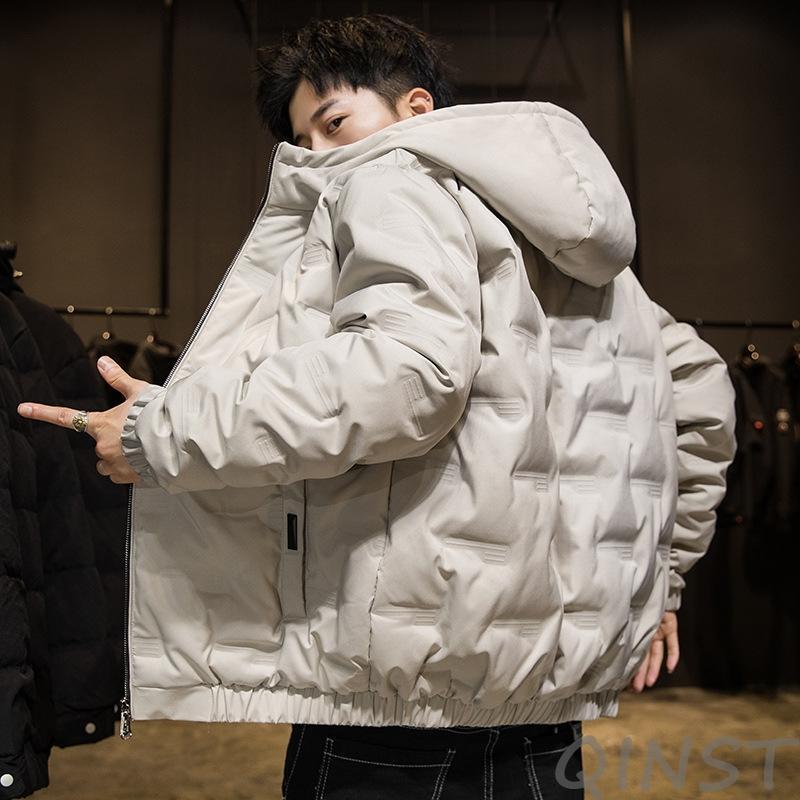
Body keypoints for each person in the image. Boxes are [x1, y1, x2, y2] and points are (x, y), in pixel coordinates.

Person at [17, 13, 736, 800]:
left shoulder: (395, 177)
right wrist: (660, 582)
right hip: (541, 697)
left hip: (402, 686)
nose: (318, 155)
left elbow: (405, 377)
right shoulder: (574, 254)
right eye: (303, 140)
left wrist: (164, 434)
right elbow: (701, 388)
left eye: (334, 123)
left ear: (415, 109)